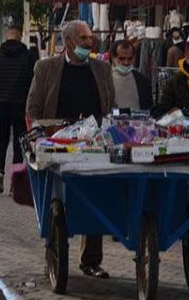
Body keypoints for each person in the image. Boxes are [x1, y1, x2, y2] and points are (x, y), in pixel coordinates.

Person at [25, 20, 114, 279]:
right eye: (84, 38)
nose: (90, 42)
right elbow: (33, 108)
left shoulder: (102, 68)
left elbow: (109, 104)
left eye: (90, 37)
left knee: (94, 197)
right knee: (57, 201)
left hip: (94, 145)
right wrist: (37, 135)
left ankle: (91, 260)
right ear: (69, 42)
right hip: (58, 144)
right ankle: (53, 254)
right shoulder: (46, 68)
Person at [0, 26, 37, 193]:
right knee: (20, 142)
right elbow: (35, 82)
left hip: (1, 104)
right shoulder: (28, 57)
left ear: (7, 37)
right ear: (20, 37)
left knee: (2, 141)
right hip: (21, 104)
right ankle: (15, 180)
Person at [109, 41, 154, 113]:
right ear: (112, 57)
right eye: (122, 59)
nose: (126, 63)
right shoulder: (104, 80)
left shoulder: (142, 81)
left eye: (130, 59)